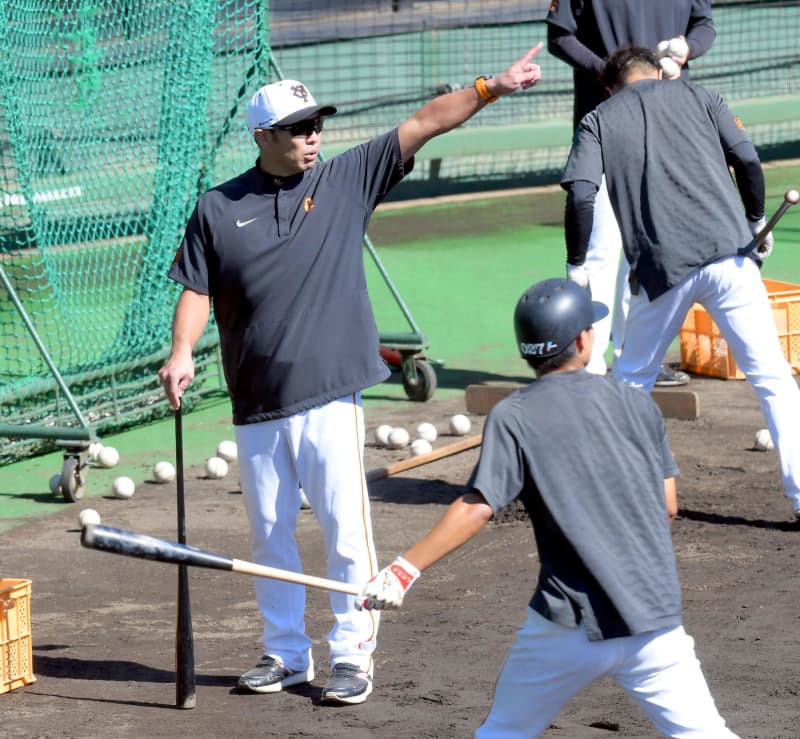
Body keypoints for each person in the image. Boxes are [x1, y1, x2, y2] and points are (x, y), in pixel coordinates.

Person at [157, 46, 544, 705]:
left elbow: (424, 122)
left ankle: (352, 654)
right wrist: (181, 350)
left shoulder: (344, 180)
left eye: (317, 124)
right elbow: (197, 287)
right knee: (269, 537)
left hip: (330, 394)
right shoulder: (218, 208)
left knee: (344, 530)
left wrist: (494, 87)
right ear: (263, 137)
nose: (314, 136)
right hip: (255, 401)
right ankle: (285, 652)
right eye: (299, 128)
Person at [357, 278, 738, 737]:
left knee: (504, 732)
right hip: (652, 622)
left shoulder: (514, 415)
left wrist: (403, 571)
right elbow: (667, 507)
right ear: (583, 340)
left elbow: (477, 506)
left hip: (567, 628)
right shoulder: (637, 404)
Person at [561, 45, 800, 521]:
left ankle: (615, 499)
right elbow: (747, 160)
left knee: (633, 381)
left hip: (661, 271)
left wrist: (576, 264)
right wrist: (755, 219)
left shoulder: (598, 119)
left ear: (609, 87)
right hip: (731, 257)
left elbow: (582, 197)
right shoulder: (704, 97)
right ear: (659, 72)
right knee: (774, 377)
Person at [547, 0, 716, 384]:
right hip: (607, 126)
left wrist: (688, 48)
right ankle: (588, 366)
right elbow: (560, 35)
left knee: (649, 251)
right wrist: (608, 72)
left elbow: (704, 24)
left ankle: (637, 361)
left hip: (668, 123)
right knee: (600, 249)